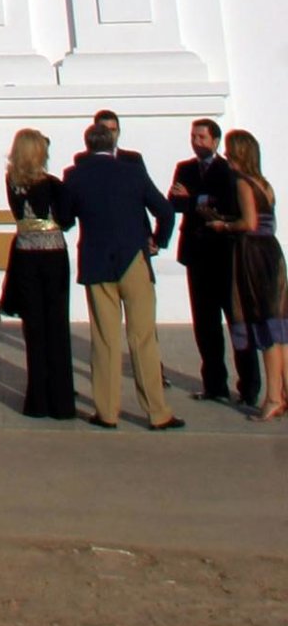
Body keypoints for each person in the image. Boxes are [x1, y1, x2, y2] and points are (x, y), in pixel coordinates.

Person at [59, 119, 182, 431]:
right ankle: (157, 412)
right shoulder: (132, 171)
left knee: (105, 339)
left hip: (97, 260)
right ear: (113, 143)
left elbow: (64, 218)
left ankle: (107, 411)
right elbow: (165, 211)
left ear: (87, 145)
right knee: (143, 338)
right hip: (134, 257)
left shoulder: (74, 176)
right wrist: (158, 240)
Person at [167, 117, 259, 407]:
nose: (196, 142)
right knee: (205, 323)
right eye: (193, 137)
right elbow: (175, 203)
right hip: (196, 254)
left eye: (202, 137)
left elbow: (228, 204)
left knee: (237, 321)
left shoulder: (227, 169)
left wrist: (194, 199)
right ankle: (214, 384)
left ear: (215, 141)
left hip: (225, 254)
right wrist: (201, 201)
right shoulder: (185, 168)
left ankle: (249, 386)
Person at [0, 129, 74, 420]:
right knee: (56, 327)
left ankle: (37, 399)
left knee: (34, 328)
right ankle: (61, 400)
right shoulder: (53, 185)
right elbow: (66, 219)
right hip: (52, 255)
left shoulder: (12, 183)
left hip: (24, 254)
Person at [218, 131, 288, 420]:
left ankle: (272, 397)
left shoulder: (243, 183)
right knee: (279, 324)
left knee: (265, 324)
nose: (225, 154)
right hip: (271, 251)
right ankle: (283, 392)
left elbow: (249, 222)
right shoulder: (264, 183)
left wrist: (224, 225)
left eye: (229, 150)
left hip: (254, 254)